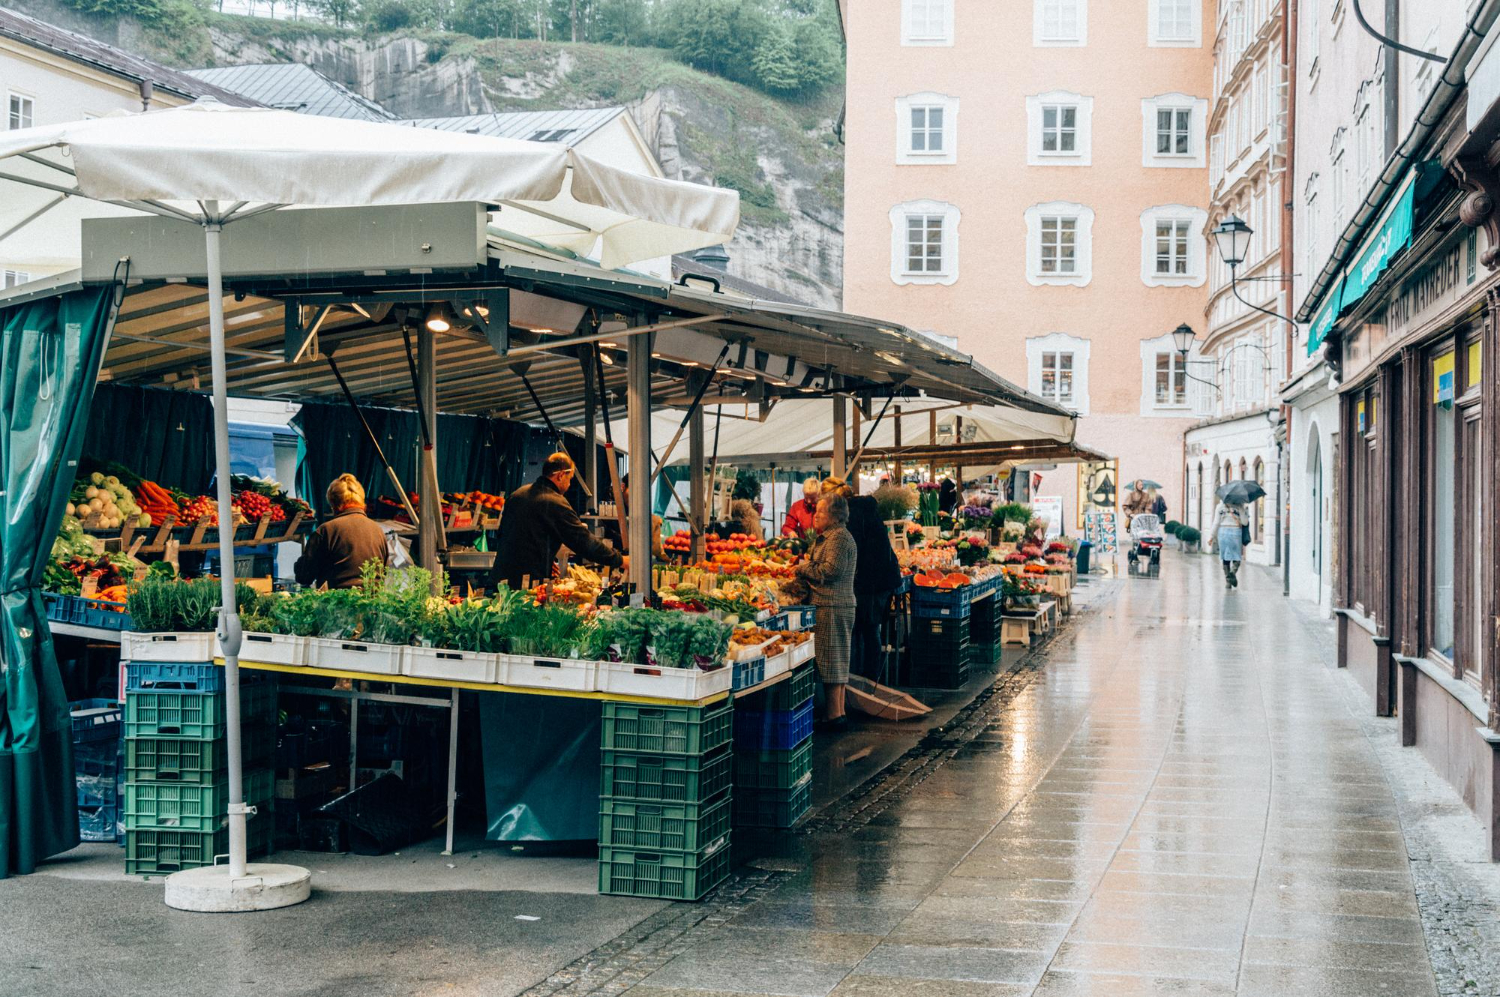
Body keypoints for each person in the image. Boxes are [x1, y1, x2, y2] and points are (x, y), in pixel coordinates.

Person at [488, 452, 626, 592]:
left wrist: (546, 559)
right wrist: (620, 560)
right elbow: (583, 541)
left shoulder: (517, 494)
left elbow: (509, 534)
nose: (569, 484)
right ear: (560, 475)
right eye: (570, 479)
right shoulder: (555, 502)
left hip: (499, 579)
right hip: (524, 586)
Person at [794, 493, 857, 730]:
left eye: (821, 512)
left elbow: (831, 571)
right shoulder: (830, 537)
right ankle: (836, 713)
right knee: (836, 661)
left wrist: (803, 567)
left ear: (834, 515)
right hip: (831, 605)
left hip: (832, 605)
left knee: (831, 662)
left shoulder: (839, 538)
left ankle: (834, 716)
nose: (816, 515)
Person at [294, 473, 390, 589]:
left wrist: (299, 564)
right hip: (372, 603)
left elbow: (304, 576)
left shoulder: (326, 531)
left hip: (337, 604)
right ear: (361, 502)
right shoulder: (378, 530)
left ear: (334, 504)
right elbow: (383, 571)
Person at [846, 491, 902, 682]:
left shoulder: (855, 516)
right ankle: (869, 676)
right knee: (871, 627)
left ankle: (868, 678)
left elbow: (856, 551)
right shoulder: (870, 514)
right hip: (883, 580)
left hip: (873, 583)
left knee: (869, 628)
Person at [1209, 500, 1246, 588]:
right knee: (1236, 556)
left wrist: (1211, 536)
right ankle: (1232, 573)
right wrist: (1245, 514)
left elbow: (1216, 523)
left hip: (1223, 533)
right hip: (1235, 532)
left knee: (1225, 557)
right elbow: (1245, 522)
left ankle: (1228, 582)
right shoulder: (1239, 506)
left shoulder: (1219, 506)